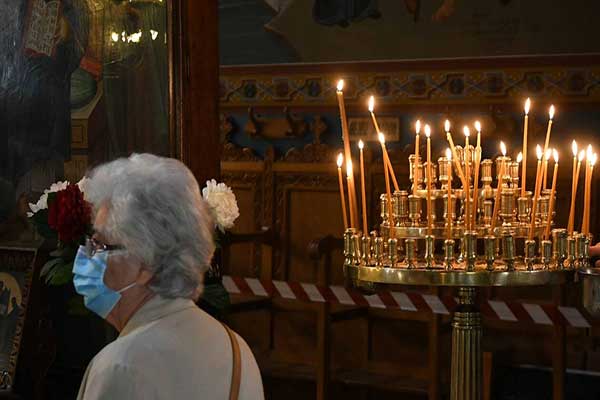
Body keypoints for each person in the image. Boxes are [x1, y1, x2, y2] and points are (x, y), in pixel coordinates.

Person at [74, 154, 263, 400]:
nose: (88, 255)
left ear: (146, 265)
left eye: (101, 245)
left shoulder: (121, 366)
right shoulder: (237, 350)